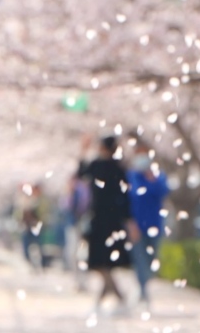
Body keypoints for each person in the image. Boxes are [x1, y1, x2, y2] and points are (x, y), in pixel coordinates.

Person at [77, 134, 140, 313]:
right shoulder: (120, 168)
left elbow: (81, 173)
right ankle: (113, 295)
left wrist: (83, 151)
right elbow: (126, 198)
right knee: (106, 262)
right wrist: (129, 221)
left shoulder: (98, 165)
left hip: (99, 220)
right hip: (114, 221)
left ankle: (115, 295)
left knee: (100, 261)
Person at [126, 141, 170, 308]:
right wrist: (130, 224)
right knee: (139, 259)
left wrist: (152, 179)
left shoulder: (158, 176)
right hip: (136, 226)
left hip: (154, 225)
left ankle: (144, 286)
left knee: (151, 259)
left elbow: (164, 191)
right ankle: (143, 290)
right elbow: (127, 201)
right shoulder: (131, 176)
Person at [59, 174, 91, 291]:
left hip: (81, 227)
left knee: (81, 254)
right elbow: (64, 207)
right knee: (72, 254)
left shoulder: (82, 190)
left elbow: (84, 207)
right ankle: (77, 280)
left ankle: (83, 281)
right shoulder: (69, 192)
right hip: (72, 226)